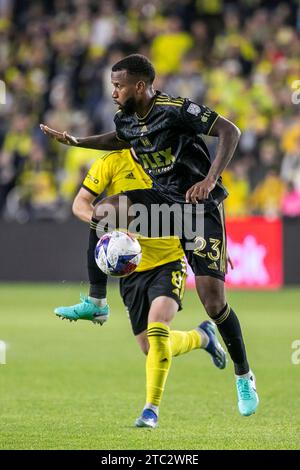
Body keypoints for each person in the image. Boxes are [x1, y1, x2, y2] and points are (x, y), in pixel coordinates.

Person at [40, 53, 259, 419]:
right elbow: (118, 139)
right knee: (104, 212)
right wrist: (76, 141)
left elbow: (229, 131)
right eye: (112, 86)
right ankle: (97, 302)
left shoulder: (175, 110)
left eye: (118, 86)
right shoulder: (126, 117)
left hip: (199, 206)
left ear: (139, 86)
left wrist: (209, 180)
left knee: (213, 302)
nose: (113, 92)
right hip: (163, 199)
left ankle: (243, 375)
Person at [54, 147, 227, 428]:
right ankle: (202, 337)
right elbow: (80, 203)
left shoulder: (170, 162)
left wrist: (214, 239)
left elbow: (207, 200)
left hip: (169, 260)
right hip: (130, 269)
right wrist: (103, 222)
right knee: (150, 346)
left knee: (159, 327)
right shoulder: (111, 162)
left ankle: (151, 410)